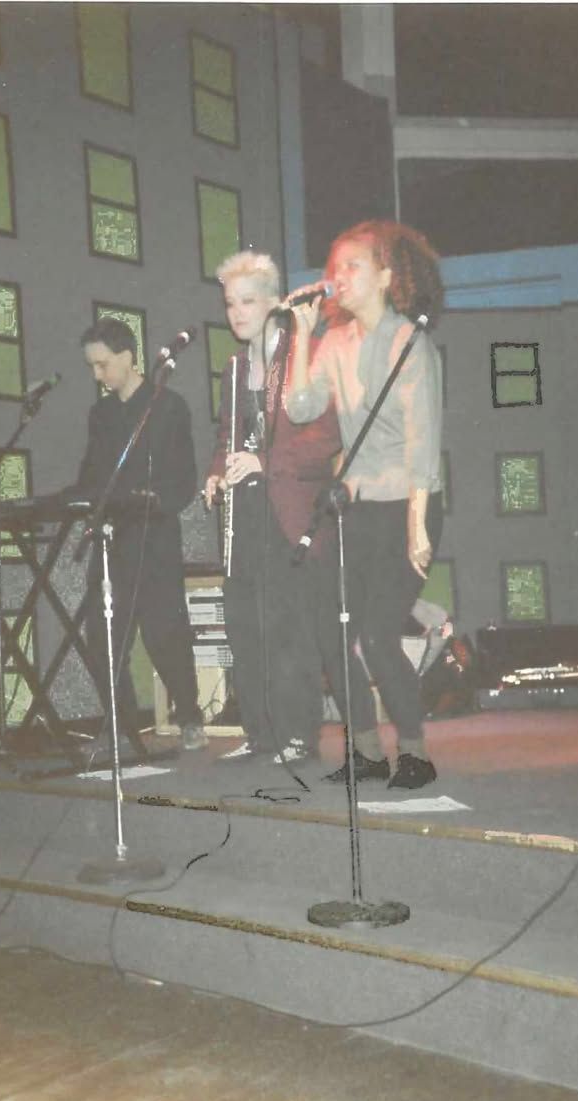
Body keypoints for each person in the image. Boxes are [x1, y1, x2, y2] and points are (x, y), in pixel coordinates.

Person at [285, 219, 445, 790]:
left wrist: (418, 527)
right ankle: (367, 752)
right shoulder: (335, 342)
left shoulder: (409, 344)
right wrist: (302, 334)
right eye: (336, 267)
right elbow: (301, 407)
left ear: (384, 276)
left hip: (408, 503)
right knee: (334, 631)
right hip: (356, 507)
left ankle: (415, 751)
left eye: (353, 265)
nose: (340, 276)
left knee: (376, 635)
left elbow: (424, 443)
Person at [204, 252, 341, 764]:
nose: (236, 313)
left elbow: (324, 439)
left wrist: (262, 461)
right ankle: (261, 733)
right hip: (245, 515)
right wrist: (217, 472)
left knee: (290, 628)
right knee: (245, 624)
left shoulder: (306, 355)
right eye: (229, 303)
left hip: (289, 512)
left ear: (273, 303)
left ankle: (298, 734)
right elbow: (226, 435)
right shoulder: (235, 368)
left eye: (246, 301)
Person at [76, 317, 206, 753]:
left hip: (155, 537)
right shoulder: (100, 414)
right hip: (113, 540)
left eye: (102, 364)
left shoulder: (167, 406)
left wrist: (153, 500)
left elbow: (183, 480)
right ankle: (121, 724)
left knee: (164, 633)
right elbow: (91, 475)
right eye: (92, 367)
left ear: (128, 356)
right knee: (102, 636)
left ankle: (189, 717)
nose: (97, 375)